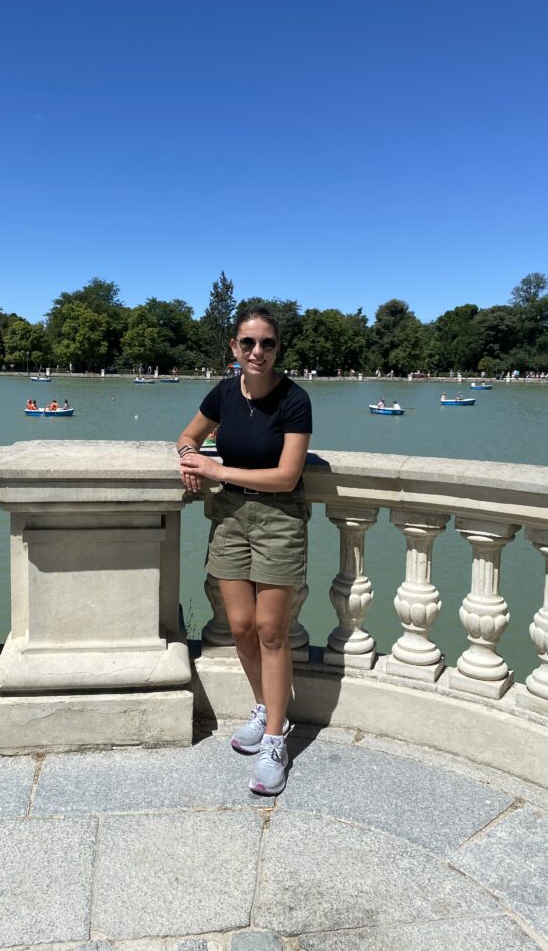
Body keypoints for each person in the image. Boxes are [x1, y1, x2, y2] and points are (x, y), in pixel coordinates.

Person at [177, 306, 312, 796]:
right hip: (230, 517)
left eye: (267, 344)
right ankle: (262, 706)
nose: (258, 352)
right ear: (234, 348)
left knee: (271, 631)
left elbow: (287, 476)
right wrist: (190, 457)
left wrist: (215, 471)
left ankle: (276, 738)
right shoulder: (223, 392)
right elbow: (188, 434)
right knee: (238, 626)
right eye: (248, 343)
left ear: (278, 348)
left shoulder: (295, 400)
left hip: (278, 518)